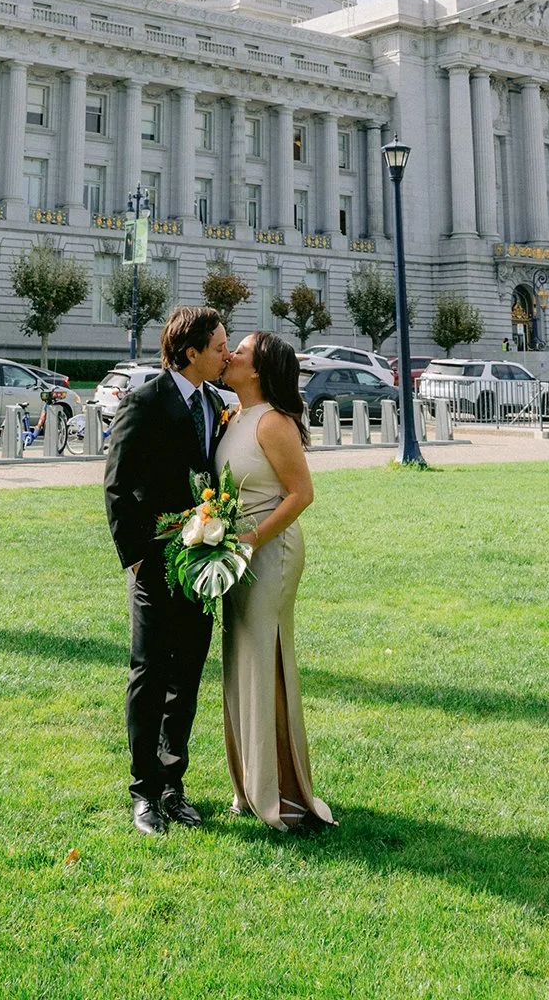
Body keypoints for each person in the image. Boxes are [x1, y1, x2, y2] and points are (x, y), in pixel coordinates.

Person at [103, 304, 230, 837]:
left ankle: (174, 783)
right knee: (150, 675)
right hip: (156, 563)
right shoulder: (144, 403)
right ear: (190, 352)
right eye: (220, 346)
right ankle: (144, 792)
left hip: (203, 563)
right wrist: (135, 557)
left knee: (188, 677)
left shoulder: (216, 402)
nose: (227, 353)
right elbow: (116, 484)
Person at [217, 330, 334, 833]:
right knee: (240, 661)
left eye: (239, 351)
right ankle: (250, 782)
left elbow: (301, 493)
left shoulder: (273, 422)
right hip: (235, 554)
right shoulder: (236, 416)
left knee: (265, 660)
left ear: (259, 369)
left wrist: (253, 539)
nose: (229, 355)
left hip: (270, 554)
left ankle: (281, 790)